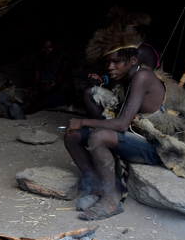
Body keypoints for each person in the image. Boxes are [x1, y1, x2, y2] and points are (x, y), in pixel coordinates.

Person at [65, 25, 166, 220]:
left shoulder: (142, 76)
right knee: (72, 136)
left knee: (99, 136)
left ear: (133, 60)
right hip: (133, 137)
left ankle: (111, 201)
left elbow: (121, 125)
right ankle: (97, 187)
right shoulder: (125, 78)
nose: (110, 67)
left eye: (116, 62)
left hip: (155, 147)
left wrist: (83, 121)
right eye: (108, 62)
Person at [0, 38, 73, 120]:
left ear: (54, 48)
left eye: (49, 47)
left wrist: (46, 88)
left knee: (43, 102)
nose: (46, 50)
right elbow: (37, 81)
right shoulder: (38, 61)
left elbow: (59, 83)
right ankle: (19, 111)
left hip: (61, 91)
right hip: (46, 89)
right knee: (33, 95)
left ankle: (18, 113)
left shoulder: (63, 61)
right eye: (44, 47)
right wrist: (37, 87)